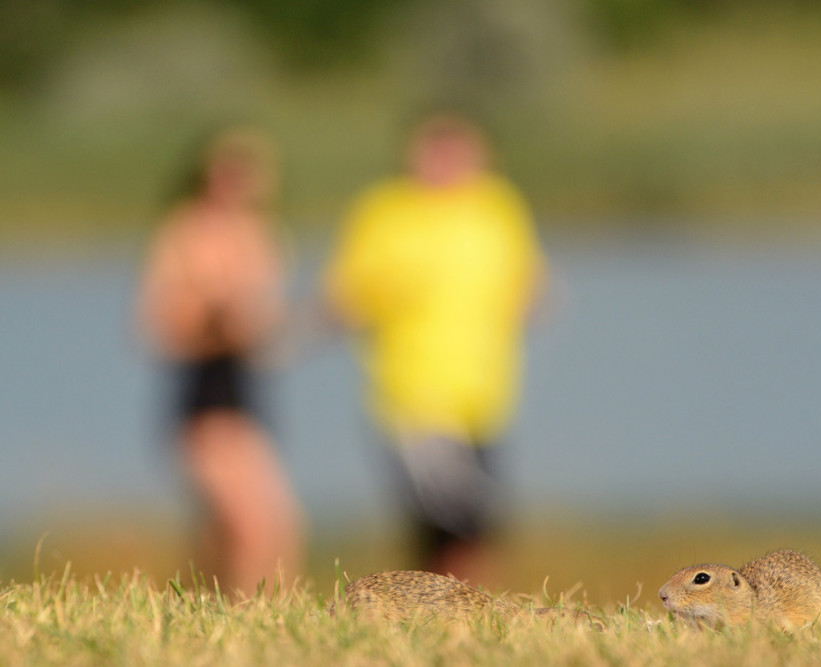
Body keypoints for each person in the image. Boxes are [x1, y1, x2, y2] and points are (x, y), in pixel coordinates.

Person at [321, 112, 547, 582]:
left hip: (486, 396)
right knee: (452, 524)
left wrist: (531, 298)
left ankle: (457, 619)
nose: (447, 161)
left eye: (459, 149)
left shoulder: (498, 207)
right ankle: (443, 615)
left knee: (478, 520)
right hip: (415, 395)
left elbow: (529, 284)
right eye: (435, 149)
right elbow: (344, 299)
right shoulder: (385, 211)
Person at [138, 127, 303, 595]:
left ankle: (241, 619)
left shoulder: (261, 235)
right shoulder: (185, 231)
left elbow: (265, 328)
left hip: (245, 391)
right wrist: (211, 317)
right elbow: (155, 327)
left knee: (265, 525)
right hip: (203, 392)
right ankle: (241, 615)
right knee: (251, 526)